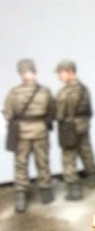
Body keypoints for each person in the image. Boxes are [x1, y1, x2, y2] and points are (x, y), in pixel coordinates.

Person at [2, 59, 56, 212]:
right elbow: (52, 111)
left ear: (21, 74)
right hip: (40, 131)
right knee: (43, 162)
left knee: (21, 164)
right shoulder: (45, 91)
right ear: (35, 71)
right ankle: (46, 192)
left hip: (21, 133)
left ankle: (21, 196)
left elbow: (8, 113)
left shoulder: (14, 92)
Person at [55, 59, 95, 200]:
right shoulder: (84, 89)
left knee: (68, 157)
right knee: (86, 152)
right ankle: (92, 178)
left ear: (70, 72)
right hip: (83, 125)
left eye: (61, 73)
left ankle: (74, 189)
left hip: (69, 128)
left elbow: (59, 114)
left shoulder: (64, 93)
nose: (59, 76)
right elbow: (89, 111)